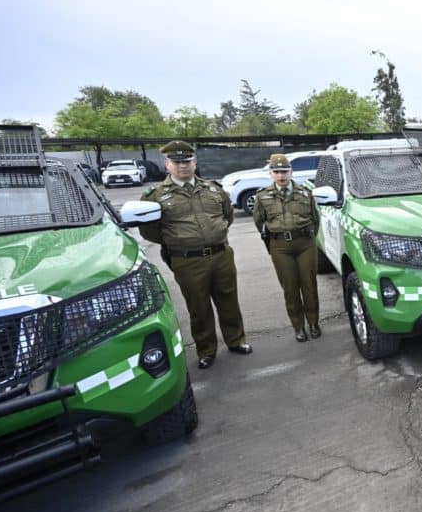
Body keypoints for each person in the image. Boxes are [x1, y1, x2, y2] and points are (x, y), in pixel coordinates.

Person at [138, 141, 253, 369]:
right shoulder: (155, 195)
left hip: (221, 255)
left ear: (195, 162)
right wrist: (179, 241)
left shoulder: (213, 188)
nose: (183, 166)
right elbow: (150, 230)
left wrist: (214, 235)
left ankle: (236, 340)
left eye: (187, 161)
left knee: (229, 301)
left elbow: (226, 217)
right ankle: (206, 350)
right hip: (187, 260)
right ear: (167, 164)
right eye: (177, 162)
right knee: (198, 307)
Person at [253, 153, 322, 342]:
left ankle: (314, 322)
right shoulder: (262, 196)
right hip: (281, 246)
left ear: (291, 172)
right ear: (271, 174)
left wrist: (308, 237)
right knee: (290, 289)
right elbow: (259, 222)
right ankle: (298, 326)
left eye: (284, 171)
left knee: (309, 285)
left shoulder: (305, 192)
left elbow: (315, 219)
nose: (281, 176)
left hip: (305, 243)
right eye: (277, 172)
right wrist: (273, 241)